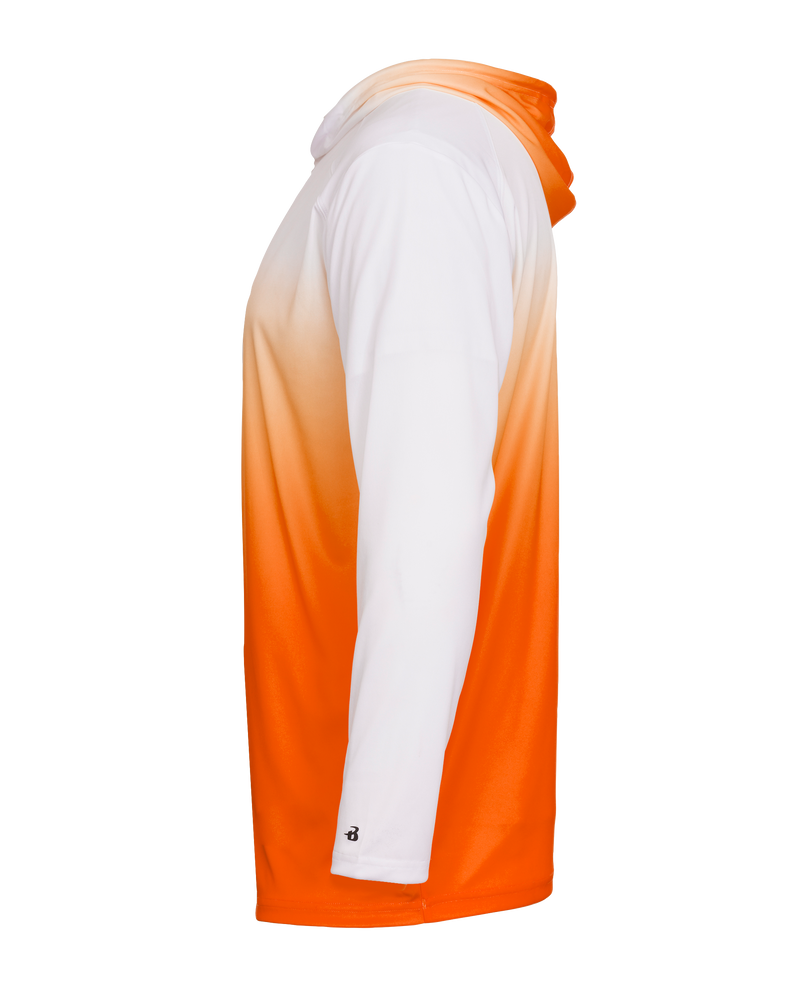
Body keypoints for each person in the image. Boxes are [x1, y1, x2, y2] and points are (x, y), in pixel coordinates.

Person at [240, 56, 573, 930]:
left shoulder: (409, 164)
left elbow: (430, 504)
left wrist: (376, 837)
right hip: (399, 846)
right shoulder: (421, 154)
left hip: (391, 871)